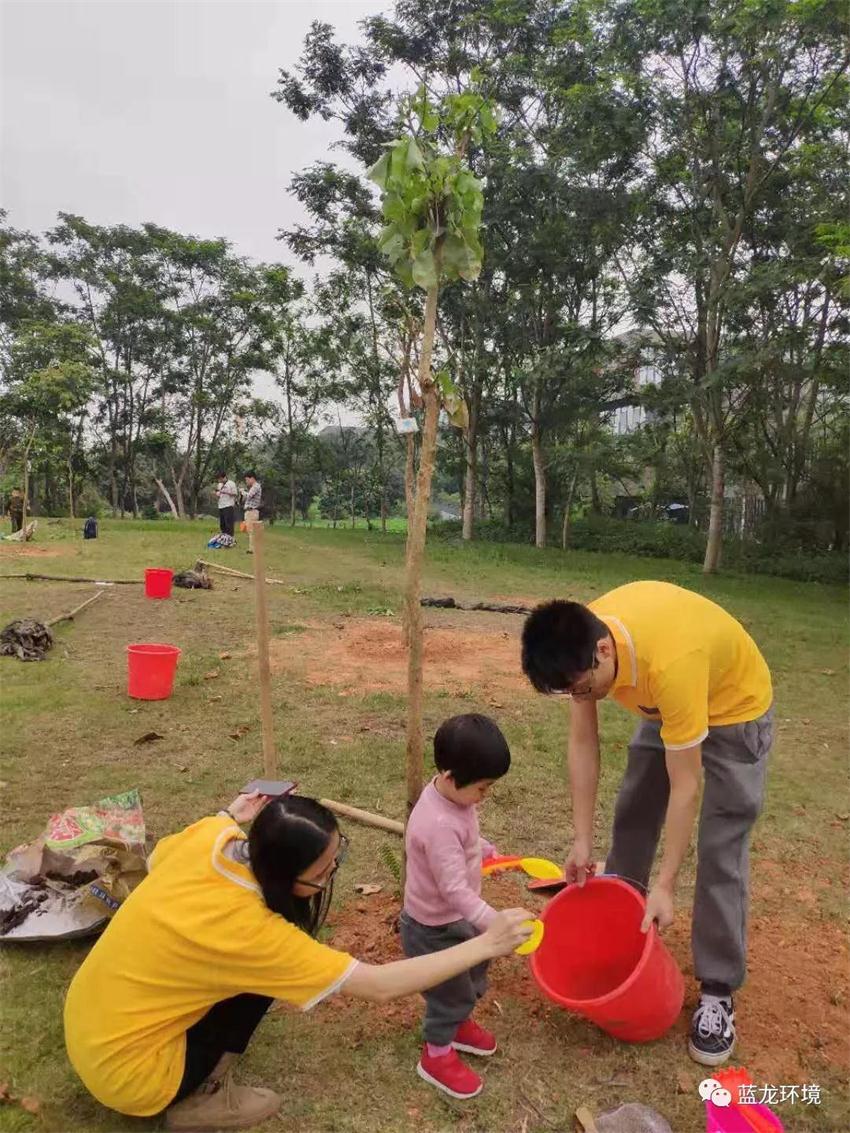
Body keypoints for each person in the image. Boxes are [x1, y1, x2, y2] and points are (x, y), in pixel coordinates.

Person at [64, 791, 531, 1131]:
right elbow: (379, 985)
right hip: (132, 1077)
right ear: (284, 875)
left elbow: (164, 855)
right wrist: (487, 943)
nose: (330, 875)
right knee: (260, 981)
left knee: (240, 976)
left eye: (334, 856)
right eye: (323, 872)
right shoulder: (256, 934)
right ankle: (197, 1101)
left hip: (89, 1019)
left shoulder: (213, 836)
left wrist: (233, 811)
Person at [521, 581, 773, 1067]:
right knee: (635, 802)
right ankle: (623, 914)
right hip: (668, 704)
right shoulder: (580, 637)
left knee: (722, 844)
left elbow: (686, 788)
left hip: (734, 708)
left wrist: (666, 883)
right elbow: (583, 745)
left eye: (582, 687)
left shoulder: (672, 663)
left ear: (602, 650)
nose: (581, 696)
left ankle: (718, 989)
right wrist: (579, 839)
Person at [401, 714, 511, 1100]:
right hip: (434, 929)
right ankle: (436, 1054)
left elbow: (461, 844)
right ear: (449, 777)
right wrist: (492, 922)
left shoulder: (454, 801)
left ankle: (459, 1023)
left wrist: (480, 850)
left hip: (456, 919)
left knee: (475, 969)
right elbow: (451, 888)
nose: (485, 795)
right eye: (482, 788)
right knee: (449, 991)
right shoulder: (437, 822)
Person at [242, 471, 262, 554]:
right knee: (250, 530)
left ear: (252, 478)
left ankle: (252, 549)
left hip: (252, 511)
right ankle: (252, 548)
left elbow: (249, 495)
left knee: (252, 531)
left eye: (247, 479)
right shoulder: (254, 487)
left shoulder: (256, 486)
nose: (246, 482)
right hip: (249, 511)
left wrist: (242, 492)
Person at [214, 472, 237, 538]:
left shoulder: (231, 484)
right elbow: (218, 495)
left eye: (220, 479)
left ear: (224, 477)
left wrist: (225, 492)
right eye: (218, 479)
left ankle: (230, 537)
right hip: (221, 505)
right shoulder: (219, 485)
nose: (219, 481)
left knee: (229, 523)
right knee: (222, 523)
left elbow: (235, 494)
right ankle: (223, 537)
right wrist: (215, 495)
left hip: (228, 505)